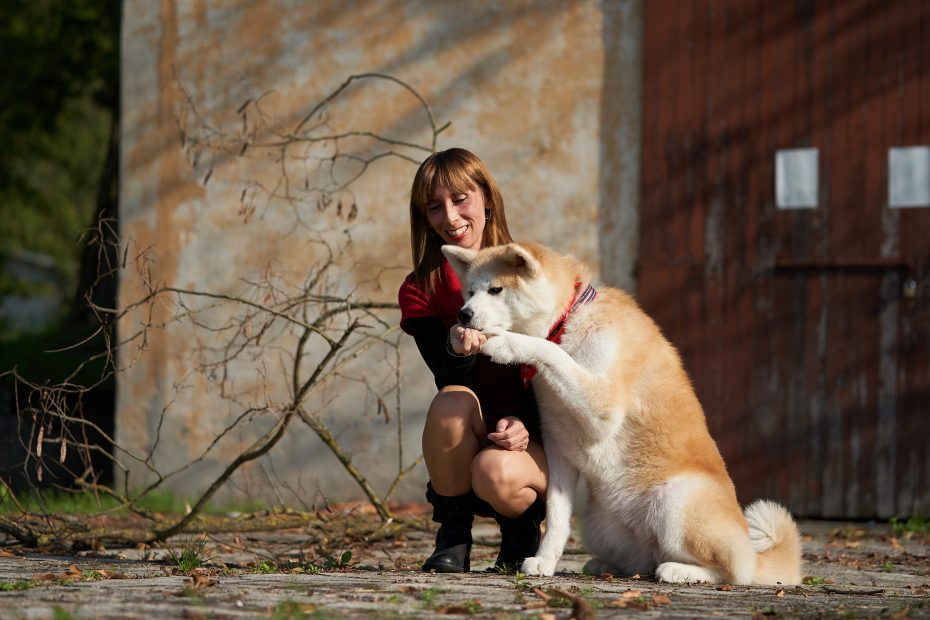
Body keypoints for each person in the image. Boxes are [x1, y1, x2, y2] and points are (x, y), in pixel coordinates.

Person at [398, 148, 548, 573]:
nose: (450, 216)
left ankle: (521, 536)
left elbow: (553, 367)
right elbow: (446, 376)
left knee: (494, 471)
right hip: (471, 431)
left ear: (487, 199)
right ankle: (453, 536)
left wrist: (527, 426)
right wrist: (455, 347)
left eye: (460, 198)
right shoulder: (421, 289)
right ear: (424, 217)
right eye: (434, 206)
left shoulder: (523, 272)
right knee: (450, 403)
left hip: (535, 440)